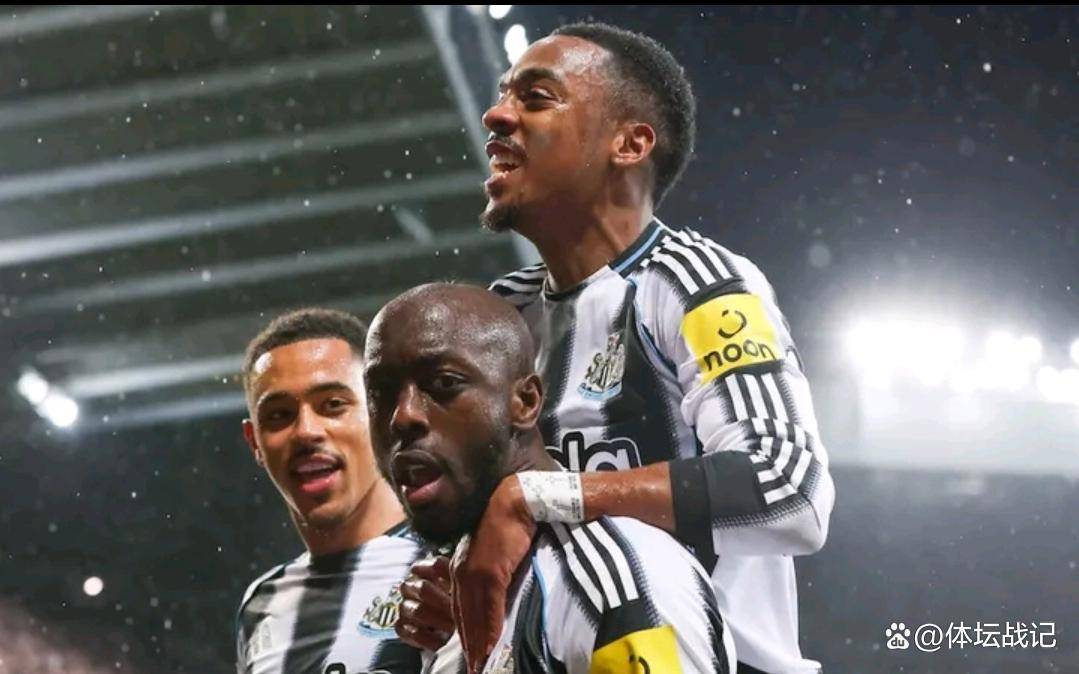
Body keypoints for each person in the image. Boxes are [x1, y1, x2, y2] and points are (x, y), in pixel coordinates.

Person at [400, 22, 836, 674]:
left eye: (535, 98)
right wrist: (451, 587)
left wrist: (539, 495)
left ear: (628, 144)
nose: (496, 116)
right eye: (501, 96)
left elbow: (788, 489)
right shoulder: (500, 317)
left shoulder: (694, 283)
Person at [364, 283, 737, 674]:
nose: (402, 417)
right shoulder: (449, 606)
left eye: (444, 383)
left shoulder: (616, 580)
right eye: (381, 393)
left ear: (525, 403)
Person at [235, 308, 424, 674]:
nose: (306, 431)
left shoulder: (459, 558)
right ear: (254, 441)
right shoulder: (262, 607)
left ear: (381, 414)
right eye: (279, 415)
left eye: (333, 405)